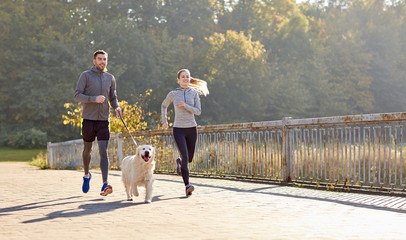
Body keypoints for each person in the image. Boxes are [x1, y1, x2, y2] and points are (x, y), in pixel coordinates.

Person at [74, 50, 122, 196]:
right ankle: (87, 175)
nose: (102, 61)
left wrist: (117, 107)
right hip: (88, 119)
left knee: (103, 151)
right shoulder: (86, 75)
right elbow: (77, 95)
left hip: (103, 120)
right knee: (87, 150)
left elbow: (113, 97)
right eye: (100, 59)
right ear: (94, 61)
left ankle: (105, 184)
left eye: (105, 59)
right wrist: (94, 99)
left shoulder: (110, 78)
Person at [161, 69, 209, 197]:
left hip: (192, 128)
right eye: (183, 77)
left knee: (189, 158)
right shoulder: (173, 94)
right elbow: (164, 105)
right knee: (185, 156)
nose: (186, 79)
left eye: (187, 77)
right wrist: (165, 121)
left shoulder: (194, 93)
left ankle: (179, 162)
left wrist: (185, 105)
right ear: (178, 79)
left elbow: (198, 111)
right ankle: (187, 186)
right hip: (178, 129)